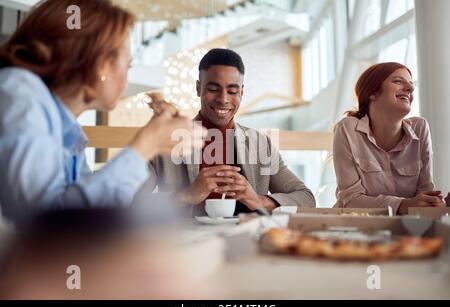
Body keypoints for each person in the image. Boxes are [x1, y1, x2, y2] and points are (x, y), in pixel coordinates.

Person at [0, 0, 204, 224]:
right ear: (101, 66)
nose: (127, 78)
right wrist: (145, 146)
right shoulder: (19, 93)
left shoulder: (68, 129)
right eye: (128, 65)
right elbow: (44, 223)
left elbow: (84, 217)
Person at [141, 48, 316, 216]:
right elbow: (127, 203)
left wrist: (258, 200)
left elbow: (306, 198)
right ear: (198, 88)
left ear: (242, 92)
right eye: (213, 89)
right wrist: (185, 195)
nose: (223, 99)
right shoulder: (165, 141)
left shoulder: (260, 144)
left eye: (232, 91)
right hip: (182, 244)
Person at [333, 62, 445, 215]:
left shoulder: (420, 128)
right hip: (355, 227)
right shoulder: (348, 129)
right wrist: (405, 205)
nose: (410, 89)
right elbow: (351, 201)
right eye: (398, 81)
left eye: (411, 84)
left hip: (407, 229)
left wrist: (434, 202)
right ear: (372, 92)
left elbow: (424, 193)